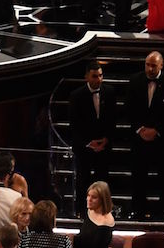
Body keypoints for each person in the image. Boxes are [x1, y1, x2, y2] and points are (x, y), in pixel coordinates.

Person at [126, 52, 164, 221]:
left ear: (161, 65)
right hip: (139, 138)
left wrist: (156, 130)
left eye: (153, 65)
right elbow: (129, 108)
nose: (150, 68)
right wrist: (140, 129)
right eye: (147, 64)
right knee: (138, 176)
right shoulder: (134, 81)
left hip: (162, 140)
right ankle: (137, 209)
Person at [66, 63, 115, 217]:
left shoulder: (110, 92)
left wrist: (106, 140)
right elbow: (74, 124)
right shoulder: (76, 95)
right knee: (83, 180)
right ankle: (82, 211)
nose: (98, 79)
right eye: (95, 76)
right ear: (86, 76)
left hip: (104, 145)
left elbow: (113, 119)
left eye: (101, 75)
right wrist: (88, 143)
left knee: (103, 180)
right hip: (84, 147)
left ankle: (105, 210)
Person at [76, 181, 114, 248]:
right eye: (88, 195)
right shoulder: (89, 211)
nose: (89, 199)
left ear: (103, 200)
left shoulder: (105, 223)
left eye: (94, 197)